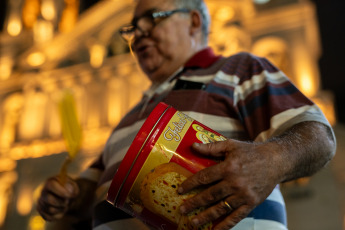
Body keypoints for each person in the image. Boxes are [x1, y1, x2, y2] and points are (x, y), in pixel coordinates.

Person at [37, 0, 336, 229]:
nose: (137, 34)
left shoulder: (237, 70)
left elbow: (319, 137)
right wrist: (68, 194)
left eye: (151, 19)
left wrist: (270, 161)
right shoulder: (131, 114)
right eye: (131, 29)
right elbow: (93, 188)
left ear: (194, 21)